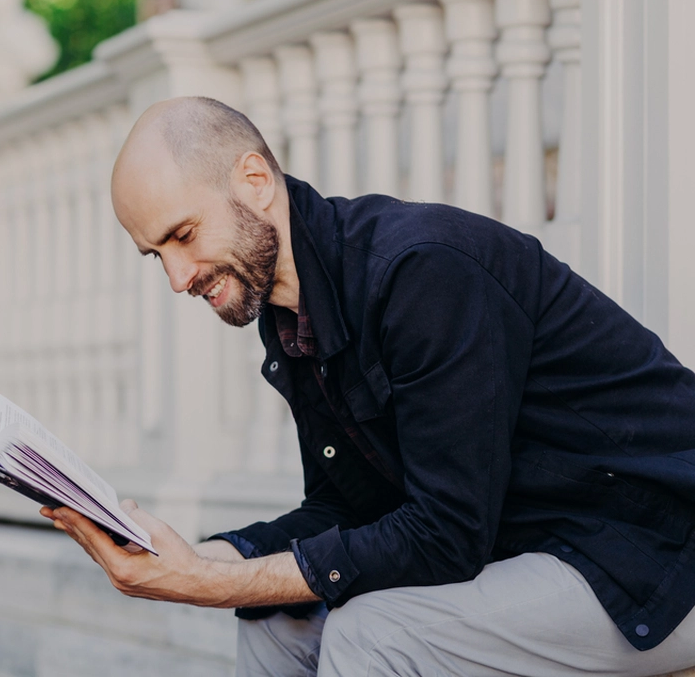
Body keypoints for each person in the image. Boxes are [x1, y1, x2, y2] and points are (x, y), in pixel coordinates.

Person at [40, 96, 695, 676]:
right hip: (538, 551)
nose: (178, 277)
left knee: (374, 634)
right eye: (158, 254)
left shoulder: (421, 272)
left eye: (183, 236)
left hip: (651, 548)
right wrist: (196, 555)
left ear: (255, 180)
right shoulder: (291, 316)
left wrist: (206, 583)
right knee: (278, 622)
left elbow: (446, 534)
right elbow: (348, 507)